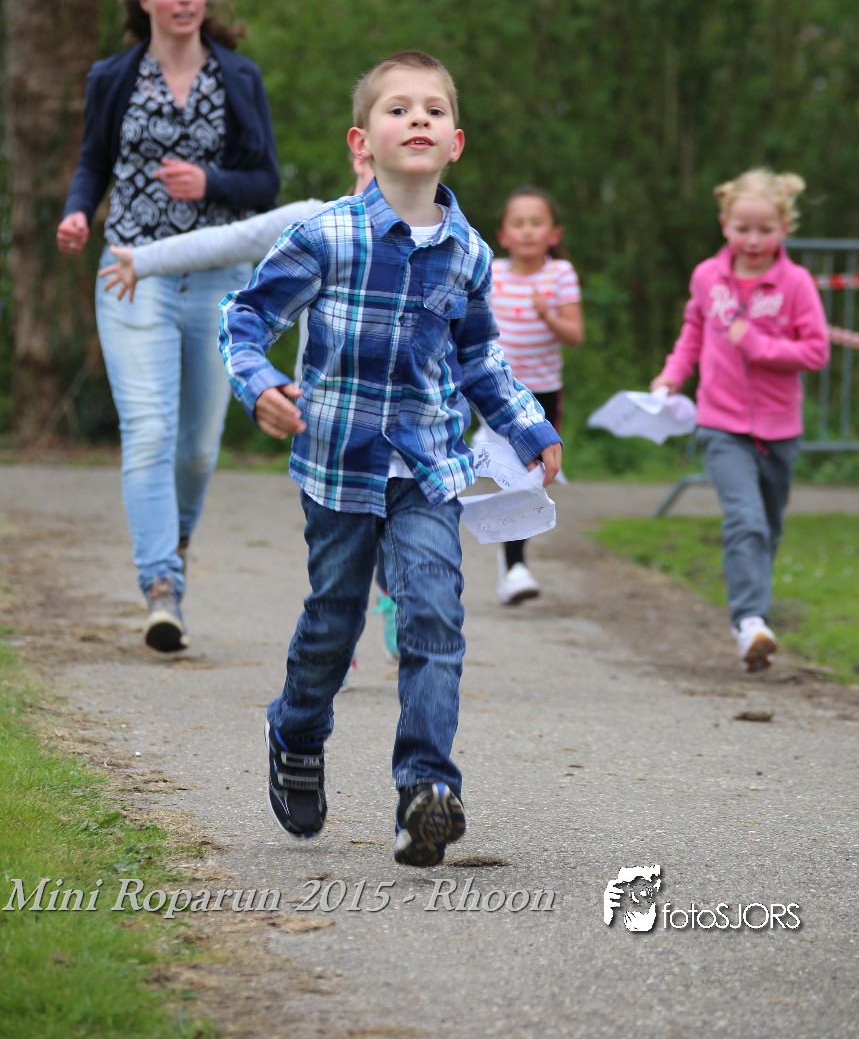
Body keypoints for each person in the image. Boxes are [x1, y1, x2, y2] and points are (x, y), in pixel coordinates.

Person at [218, 49, 562, 864]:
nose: (417, 119)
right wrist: (261, 386)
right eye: (398, 108)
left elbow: (480, 361)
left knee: (434, 617)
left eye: (433, 110)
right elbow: (243, 319)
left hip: (430, 471)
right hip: (338, 466)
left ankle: (426, 790)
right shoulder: (326, 236)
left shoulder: (468, 253)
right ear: (362, 140)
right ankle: (296, 731)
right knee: (334, 622)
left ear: (456, 142)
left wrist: (529, 429)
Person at [57, 0, 280, 653]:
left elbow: (266, 184)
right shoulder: (113, 76)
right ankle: (160, 584)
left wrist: (210, 182)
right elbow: (93, 162)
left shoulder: (238, 77)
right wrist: (78, 212)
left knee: (199, 451)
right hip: (133, 272)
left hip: (218, 277)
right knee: (149, 431)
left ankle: (173, 542)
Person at [97, 156, 400, 668]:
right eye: (380, 161)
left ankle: (397, 597)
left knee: (403, 523)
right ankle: (336, 634)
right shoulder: (313, 220)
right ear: (358, 150)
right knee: (342, 540)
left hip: (407, 420)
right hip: (329, 422)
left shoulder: (436, 235)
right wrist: (144, 260)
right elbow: (227, 241)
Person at [651, 169, 829, 671]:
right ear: (724, 223)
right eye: (742, 228)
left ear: (784, 228)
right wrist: (671, 376)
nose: (753, 240)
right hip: (722, 424)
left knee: (767, 529)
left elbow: (816, 351)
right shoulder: (708, 277)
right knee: (745, 521)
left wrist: (757, 345)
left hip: (780, 431)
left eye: (765, 230)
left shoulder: (795, 283)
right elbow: (693, 332)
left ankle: (754, 622)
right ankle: (750, 622)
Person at [488, 187, 583, 604]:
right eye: (518, 223)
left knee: (532, 478)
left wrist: (548, 315)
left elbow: (575, 335)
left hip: (542, 396)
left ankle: (511, 563)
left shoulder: (560, 274)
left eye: (536, 223)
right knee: (515, 474)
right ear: (503, 235)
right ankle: (514, 566)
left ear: (554, 234)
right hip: (496, 394)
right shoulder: (491, 272)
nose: (527, 231)